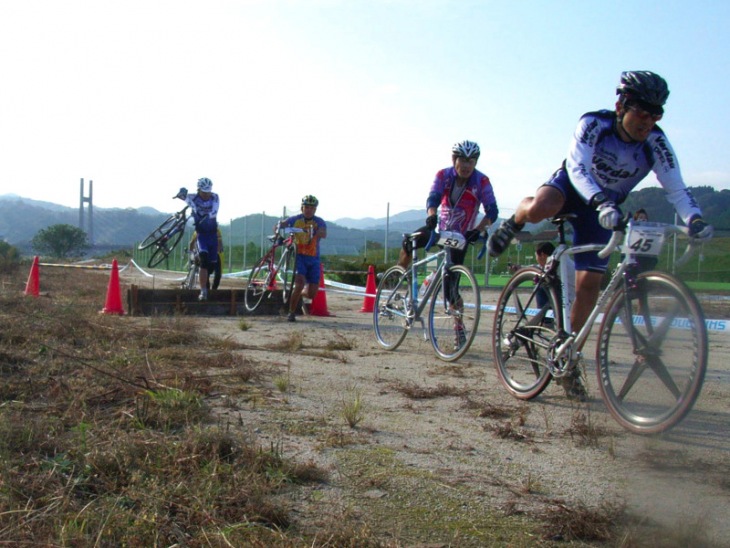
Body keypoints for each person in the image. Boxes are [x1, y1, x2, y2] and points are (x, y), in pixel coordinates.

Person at [487, 71, 714, 401]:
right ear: (621, 105)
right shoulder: (595, 124)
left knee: (588, 286)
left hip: (603, 208)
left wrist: (694, 219)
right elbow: (577, 168)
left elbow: (676, 188)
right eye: (642, 111)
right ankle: (516, 220)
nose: (648, 121)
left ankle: (569, 355)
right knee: (542, 207)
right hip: (574, 188)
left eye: (656, 114)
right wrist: (599, 200)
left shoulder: (656, 142)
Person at [397, 139, 499, 349]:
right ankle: (399, 274)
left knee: (451, 289)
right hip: (438, 228)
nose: (466, 165)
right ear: (454, 159)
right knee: (410, 241)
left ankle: (458, 329)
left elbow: (492, 212)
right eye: (462, 159)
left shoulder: (482, 182)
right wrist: (431, 215)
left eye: (471, 161)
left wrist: (477, 230)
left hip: (460, 236)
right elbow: (433, 198)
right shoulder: (443, 175)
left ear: (476, 162)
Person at [283, 195, 327, 322]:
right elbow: (281, 225)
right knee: (299, 283)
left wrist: (316, 232)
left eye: (311, 208)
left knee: (312, 294)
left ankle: (300, 293)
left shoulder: (319, 222)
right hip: (299, 257)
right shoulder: (295, 219)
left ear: (315, 210)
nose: (308, 210)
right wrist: (278, 227)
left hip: (314, 259)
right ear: (302, 208)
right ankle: (291, 313)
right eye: (306, 207)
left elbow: (324, 233)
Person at [176, 177, 220, 301]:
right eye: (204, 192)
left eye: (208, 192)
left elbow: (215, 211)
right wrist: (181, 193)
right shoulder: (193, 197)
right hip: (201, 235)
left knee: (212, 265)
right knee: (204, 262)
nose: (206, 195)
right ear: (199, 190)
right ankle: (203, 292)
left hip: (213, 234)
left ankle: (197, 260)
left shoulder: (215, 197)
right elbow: (184, 197)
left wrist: (205, 215)